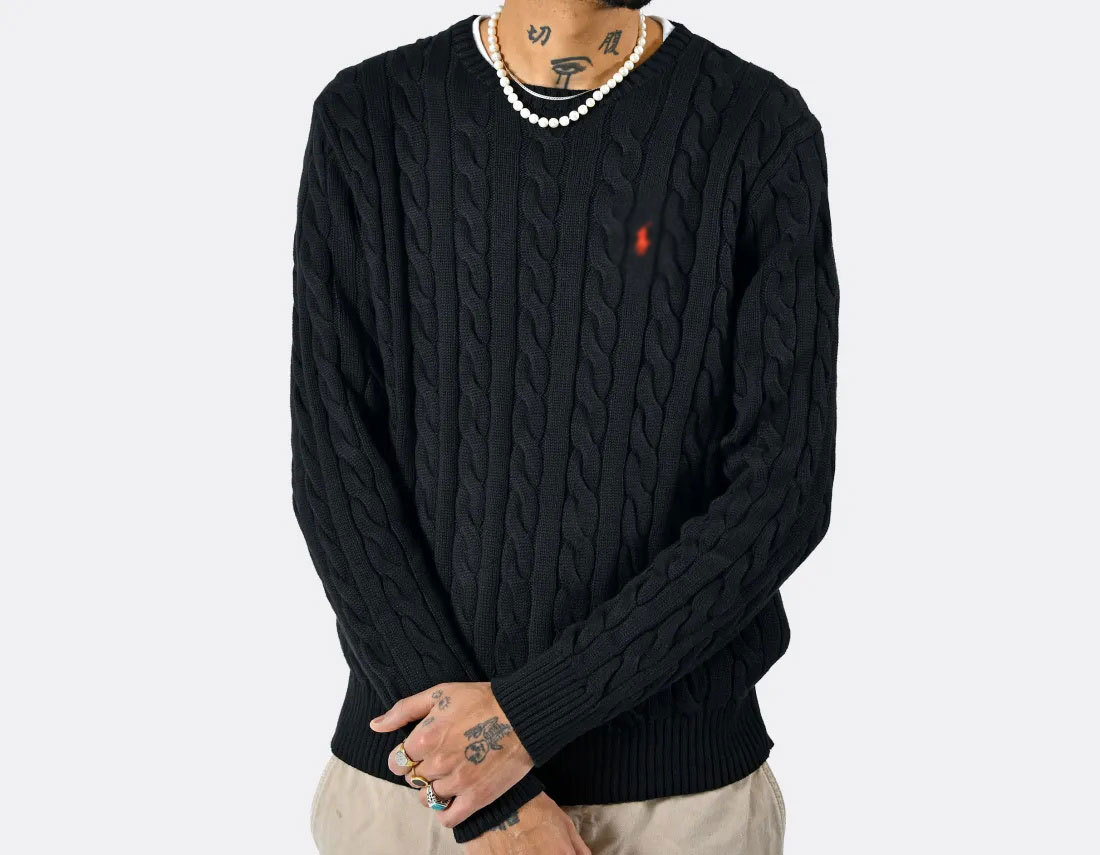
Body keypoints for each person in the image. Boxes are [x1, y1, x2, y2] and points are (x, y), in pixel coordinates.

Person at [291, 0, 838, 852]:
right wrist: (486, 791)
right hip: (417, 796)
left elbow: (782, 489)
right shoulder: (368, 118)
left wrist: (518, 725)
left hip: (676, 806)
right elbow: (336, 471)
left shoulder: (757, 130)